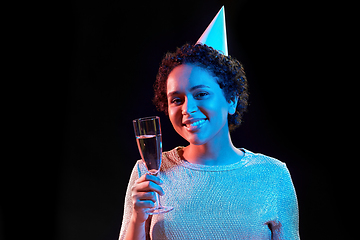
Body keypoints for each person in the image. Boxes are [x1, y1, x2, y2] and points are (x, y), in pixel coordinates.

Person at [119, 7, 299, 240]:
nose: (187, 109)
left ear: (231, 100)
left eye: (201, 94)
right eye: (177, 99)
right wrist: (137, 218)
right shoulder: (148, 173)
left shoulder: (273, 175)